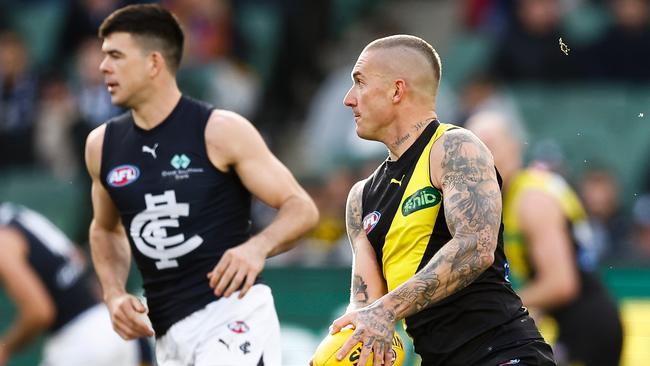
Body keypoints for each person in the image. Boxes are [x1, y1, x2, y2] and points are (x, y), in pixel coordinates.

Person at [85, 4, 319, 366]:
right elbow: (104, 229)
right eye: (104, 56)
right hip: (168, 333)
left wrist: (257, 248)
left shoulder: (220, 130)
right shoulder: (102, 146)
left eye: (115, 56)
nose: (103, 67)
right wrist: (114, 293)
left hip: (233, 315)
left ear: (153, 63)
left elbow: (300, 207)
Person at [317, 35, 556, 366]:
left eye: (359, 83)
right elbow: (364, 302)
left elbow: (476, 247)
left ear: (396, 90)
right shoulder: (360, 198)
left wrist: (385, 310)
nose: (348, 99)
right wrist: (350, 342)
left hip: (501, 352)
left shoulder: (455, 147)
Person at [466, 111, 623, 366]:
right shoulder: (513, 195)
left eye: (490, 146)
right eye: (472, 150)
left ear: (515, 146)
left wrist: (495, 308)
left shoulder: (532, 199)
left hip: (588, 328)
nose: (482, 158)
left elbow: (561, 284)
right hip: (574, 324)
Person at [0, 202, 151, 366]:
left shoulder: (4, 240)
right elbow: (78, 259)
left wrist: (6, 347)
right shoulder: (19, 216)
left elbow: (39, 312)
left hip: (79, 344)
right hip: (115, 326)